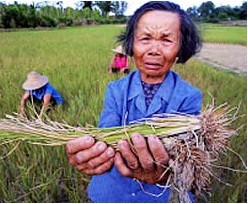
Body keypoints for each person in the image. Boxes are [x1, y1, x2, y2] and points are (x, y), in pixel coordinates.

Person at [66, 1, 202, 202]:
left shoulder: (189, 96)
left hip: (160, 195)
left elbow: (187, 154)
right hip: (112, 191)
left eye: (166, 40)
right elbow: (107, 133)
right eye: (145, 38)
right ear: (132, 43)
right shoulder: (115, 90)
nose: (154, 50)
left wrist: (166, 172)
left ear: (181, 47)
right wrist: (93, 151)